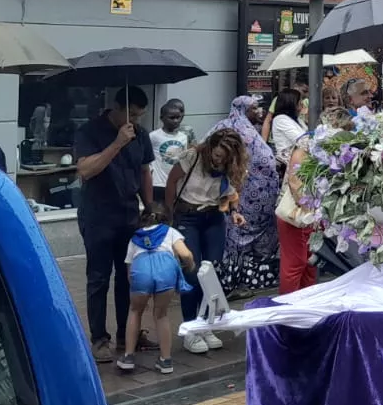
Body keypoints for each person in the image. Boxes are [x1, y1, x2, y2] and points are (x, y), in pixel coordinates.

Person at [74, 86, 155, 363]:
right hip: (97, 214)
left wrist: (150, 207)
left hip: (128, 213)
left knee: (128, 276)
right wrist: (117, 143)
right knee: (98, 278)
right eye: (131, 114)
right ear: (117, 108)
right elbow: (86, 170)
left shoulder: (140, 134)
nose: (135, 120)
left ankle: (127, 332)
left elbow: (144, 171)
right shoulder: (90, 131)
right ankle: (99, 339)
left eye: (140, 115)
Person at [165, 127, 247, 353]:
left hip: (213, 217)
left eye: (224, 157)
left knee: (211, 273)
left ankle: (206, 324)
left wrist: (234, 211)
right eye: (216, 154)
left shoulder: (231, 165)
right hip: (187, 216)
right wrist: (170, 216)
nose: (218, 160)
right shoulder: (193, 157)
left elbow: (230, 192)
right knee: (192, 273)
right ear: (210, 146)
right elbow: (171, 181)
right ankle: (191, 329)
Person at [209, 96, 282, 297]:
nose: (258, 111)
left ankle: (241, 280)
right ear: (242, 109)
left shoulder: (248, 129)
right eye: (254, 108)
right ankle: (230, 282)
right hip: (238, 196)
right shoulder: (231, 129)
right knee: (234, 236)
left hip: (253, 197)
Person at [116, 216, 195, 375]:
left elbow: (129, 271)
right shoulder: (170, 231)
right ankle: (165, 360)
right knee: (161, 315)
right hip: (165, 270)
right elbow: (185, 254)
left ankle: (128, 357)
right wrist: (190, 265)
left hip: (141, 271)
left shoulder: (134, 238)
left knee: (135, 311)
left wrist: (137, 290)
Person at [276, 136, 318, 295]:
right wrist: (308, 210)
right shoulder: (305, 146)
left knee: (310, 263)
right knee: (296, 263)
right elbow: (294, 182)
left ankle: (306, 301)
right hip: (298, 213)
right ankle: (289, 303)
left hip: (311, 213)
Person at [149, 99, 194, 208]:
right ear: (162, 118)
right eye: (171, 118)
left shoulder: (183, 137)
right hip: (158, 183)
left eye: (178, 117)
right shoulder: (154, 136)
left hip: (176, 183)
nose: (175, 121)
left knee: (173, 210)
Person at [266, 89, 306, 166]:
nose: (302, 104)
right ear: (291, 103)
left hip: (299, 159)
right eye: (300, 101)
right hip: (289, 163)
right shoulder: (280, 119)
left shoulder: (297, 119)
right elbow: (301, 139)